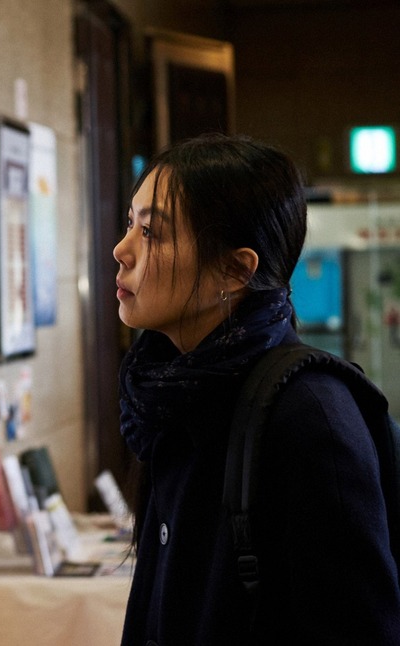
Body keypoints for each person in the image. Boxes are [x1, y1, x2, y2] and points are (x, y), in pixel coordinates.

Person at [114, 133, 400, 645]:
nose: (122, 250)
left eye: (152, 233)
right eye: (130, 224)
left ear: (235, 269)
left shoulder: (309, 415)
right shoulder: (169, 393)